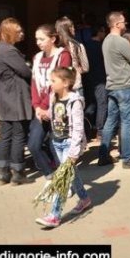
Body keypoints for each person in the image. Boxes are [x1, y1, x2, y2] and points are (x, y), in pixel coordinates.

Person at [34, 67, 92, 228]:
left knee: (63, 179)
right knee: (72, 174)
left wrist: (74, 153)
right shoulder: (54, 97)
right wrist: (46, 114)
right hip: (57, 142)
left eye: (53, 81)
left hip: (69, 144)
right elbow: (56, 116)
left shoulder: (75, 101)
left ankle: (54, 215)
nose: (50, 84)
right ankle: (85, 198)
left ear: (65, 83)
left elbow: (78, 128)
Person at [98, 11, 130, 168]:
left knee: (110, 121)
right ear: (117, 24)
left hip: (112, 85)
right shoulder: (121, 42)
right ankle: (129, 157)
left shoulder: (106, 40)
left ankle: (103, 155)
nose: (125, 25)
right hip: (125, 86)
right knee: (127, 122)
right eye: (124, 22)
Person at [0, 18, 33, 185]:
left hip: (6, 96)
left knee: (6, 135)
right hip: (15, 97)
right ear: (9, 32)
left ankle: (3, 174)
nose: (21, 34)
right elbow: (25, 71)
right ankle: (18, 173)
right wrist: (29, 66)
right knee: (18, 135)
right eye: (18, 32)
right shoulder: (8, 50)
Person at [29, 25, 72, 181]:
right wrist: (37, 107)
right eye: (36, 39)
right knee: (34, 144)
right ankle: (49, 174)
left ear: (53, 39)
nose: (38, 42)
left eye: (42, 39)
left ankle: (65, 180)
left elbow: (60, 84)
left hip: (57, 107)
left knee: (57, 147)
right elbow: (34, 84)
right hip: (40, 109)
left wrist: (48, 107)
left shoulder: (63, 55)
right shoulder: (37, 58)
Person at [83, 24, 107, 141]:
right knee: (102, 104)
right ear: (100, 32)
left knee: (90, 104)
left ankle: (87, 128)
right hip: (101, 78)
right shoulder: (102, 47)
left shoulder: (85, 46)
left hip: (87, 78)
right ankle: (100, 131)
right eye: (103, 32)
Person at [55, 17, 89, 96]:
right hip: (75, 85)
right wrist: (75, 69)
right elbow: (85, 68)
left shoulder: (55, 47)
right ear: (67, 29)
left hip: (58, 85)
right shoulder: (78, 46)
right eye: (72, 27)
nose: (74, 29)